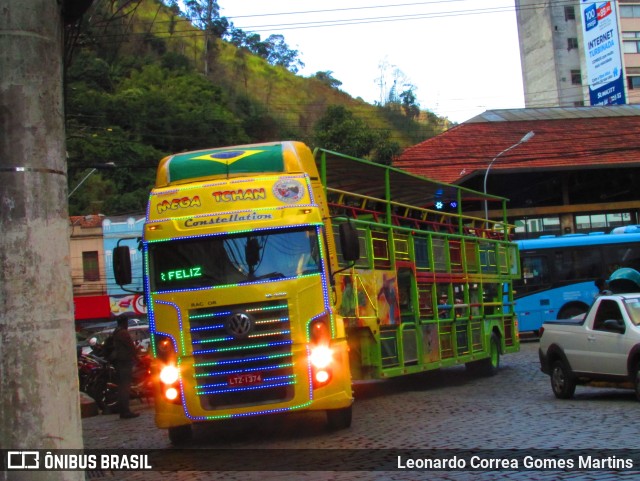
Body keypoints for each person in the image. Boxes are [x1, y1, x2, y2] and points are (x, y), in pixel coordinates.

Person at [112, 314, 140, 419]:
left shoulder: (116, 332)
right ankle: (125, 411)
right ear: (125, 322)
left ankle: (123, 410)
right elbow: (131, 347)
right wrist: (137, 358)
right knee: (125, 387)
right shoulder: (123, 333)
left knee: (122, 387)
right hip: (124, 362)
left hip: (119, 362)